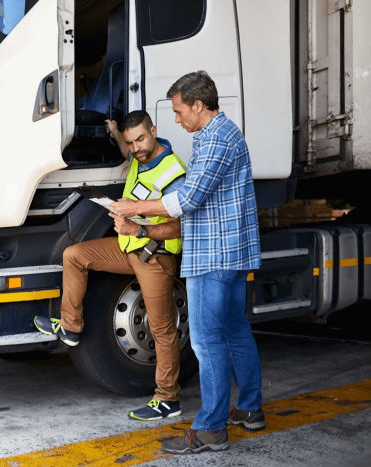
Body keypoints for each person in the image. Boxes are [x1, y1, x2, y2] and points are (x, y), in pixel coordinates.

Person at [111, 71, 264, 454]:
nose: (177, 120)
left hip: (213, 255)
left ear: (199, 105)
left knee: (207, 341)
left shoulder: (215, 139)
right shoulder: (221, 136)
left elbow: (187, 200)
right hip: (227, 253)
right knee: (235, 330)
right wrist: (141, 223)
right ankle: (248, 409)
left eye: (180, 111)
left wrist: (134, 208)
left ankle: (211, 429)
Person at [34, 110, 188, 421]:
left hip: (155, 257)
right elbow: (125, 149)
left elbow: (181, 227)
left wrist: (140, 229)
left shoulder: (173, 173)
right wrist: (117, 133)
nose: (136, 149)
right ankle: (71, 327)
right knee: (74, 255)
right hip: (129, 248)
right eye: (131, 143)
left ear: (154, 131)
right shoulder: (138, 158)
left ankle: (168, 399)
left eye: (141, 140)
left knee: (161, 330)